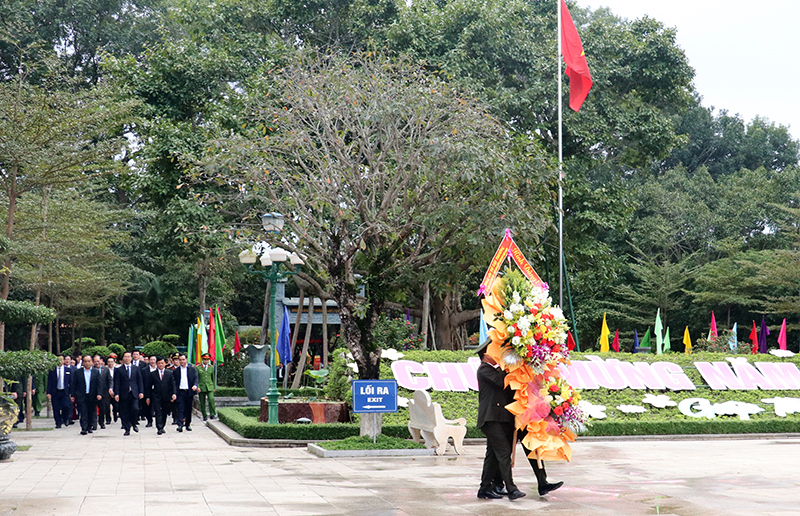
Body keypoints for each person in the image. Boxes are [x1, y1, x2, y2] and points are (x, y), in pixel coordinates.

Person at [475, 340, 525, 500]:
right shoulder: (484, 369)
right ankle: (512, 489)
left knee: (492, 455)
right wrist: (510, 364)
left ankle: (485, 488)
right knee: (504, 452)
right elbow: (500, 381)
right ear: (486, 356)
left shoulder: (493, 370)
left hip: (497, 419)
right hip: (490, 419)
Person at [112, 351, 144, 436]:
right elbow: (117, 382)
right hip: (123, 393)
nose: (127, 358)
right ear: (123, 358)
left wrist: (141, 392)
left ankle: (133, 423)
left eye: (128, 357)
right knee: (124, 412)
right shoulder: (119, 369)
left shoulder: (135, 368)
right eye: (125, 357)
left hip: (134, 392)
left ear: (131, 358)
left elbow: (139, 381)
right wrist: (117, 394)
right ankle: (127, 428)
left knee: (135, 409)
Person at [71, 356, 101, 435]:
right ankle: (84, 428)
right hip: (82, 395)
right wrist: (72, 395)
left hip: (92, 395)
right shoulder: (78, 372)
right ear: (83, 362)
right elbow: (74, 384)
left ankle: (90, 426)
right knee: (83, 412)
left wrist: (99, 393)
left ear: (91, 362)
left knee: (91, 412)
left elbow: (99, 384)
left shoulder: (96, 371)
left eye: (88, 361)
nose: (87, 363)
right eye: (85, 361)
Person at [147, 357, 176, 435]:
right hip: (156, 396)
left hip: (166, 396)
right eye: (159, 363)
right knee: (158, 412)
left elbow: (173, 385)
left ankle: (162, 426)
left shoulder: (169, 373)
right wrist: (148, 397)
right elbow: (149, 386)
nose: (160, 365)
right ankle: (159, 427)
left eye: (162, 363)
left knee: (164, 412)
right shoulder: (153, 374)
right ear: (157, 364)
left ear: (165, 363)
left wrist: (174, 393)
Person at [46, 354, 73, 428]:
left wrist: (71, 392)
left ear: (63, 361)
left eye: (61, 359)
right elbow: (49, 382)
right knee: (56, 408)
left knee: (66, 406)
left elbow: (71, 382)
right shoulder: (52, 370)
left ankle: (65, 418)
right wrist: (48, 392)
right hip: (55, 391)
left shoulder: (68, 370)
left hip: (65, 391)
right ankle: (58, 422)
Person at [173, 353, 198, 432]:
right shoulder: (176, 371)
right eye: (180, 360)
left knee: (188, 409)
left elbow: (196, 378)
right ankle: (180, 425)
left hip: (189, 392)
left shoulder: (192, 369)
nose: (182, 361)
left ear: (186, 360)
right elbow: (174, 382)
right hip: (180, 392)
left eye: (183, 360)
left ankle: (188, 424)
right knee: (180, 409)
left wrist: (195, 385)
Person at [97, 356, 116, 429]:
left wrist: (110, 388)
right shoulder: (92, 370)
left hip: (105, 391)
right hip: (95, 392)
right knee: (98, 408)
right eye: (95, 361)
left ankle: (105, 420)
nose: (97, 363)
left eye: (99, 361)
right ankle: (98, 422)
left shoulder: (105, 369)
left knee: (104, 408)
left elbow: (110, 380)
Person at [197, 353, 217, 421]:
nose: (206, 361)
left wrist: (214, 387)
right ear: (202, 360)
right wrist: (198, 386)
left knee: (211, 399)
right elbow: (197, 378)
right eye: (205, 359)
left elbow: (213, 378)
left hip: (210, 386)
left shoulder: (211, 367)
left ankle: (212, 414)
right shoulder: (198, 367)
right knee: (202, 402)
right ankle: (204, 415)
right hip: (202, 387)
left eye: (207, 360)